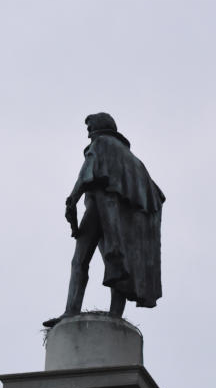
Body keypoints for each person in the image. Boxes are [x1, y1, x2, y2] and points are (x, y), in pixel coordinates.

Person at [43, 113, 165, 328]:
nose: (89, 133)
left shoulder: (101, 143)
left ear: (100, 126)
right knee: (117, 260)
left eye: (90, 127)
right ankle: (115, 315)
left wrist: (72, 199)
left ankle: (71, 310)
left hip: (100, 208)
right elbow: (153, 195)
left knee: (81, 260)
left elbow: (86, 173)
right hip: (114, 214)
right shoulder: (135, 162)